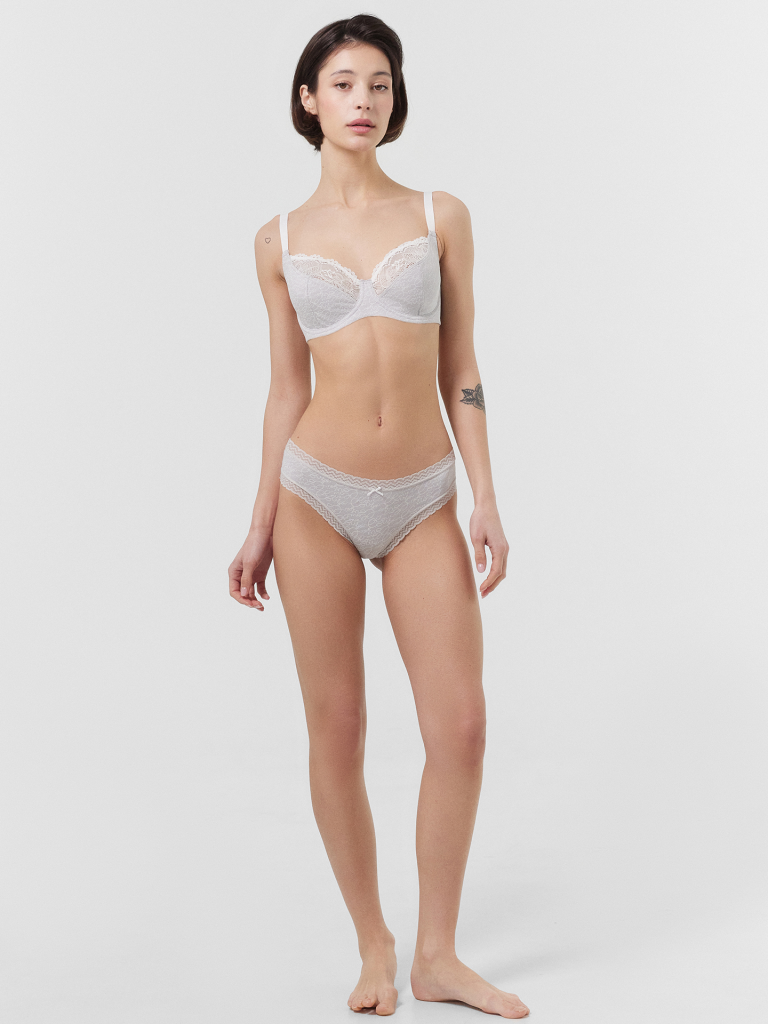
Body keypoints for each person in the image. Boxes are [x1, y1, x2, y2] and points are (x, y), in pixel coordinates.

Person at [228, 14, 529, 1019]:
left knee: (461, 725)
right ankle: (375, 943)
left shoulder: (441, 215)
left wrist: (486, 495)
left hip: (423, 493)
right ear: (308, 99)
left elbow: (462, 366)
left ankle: (438, 955)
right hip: (313, 494)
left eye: (381, 84)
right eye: (345, 83)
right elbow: (285, 388)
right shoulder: (276, 240)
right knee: (339, 728)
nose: (364, 100)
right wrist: (259, 521)